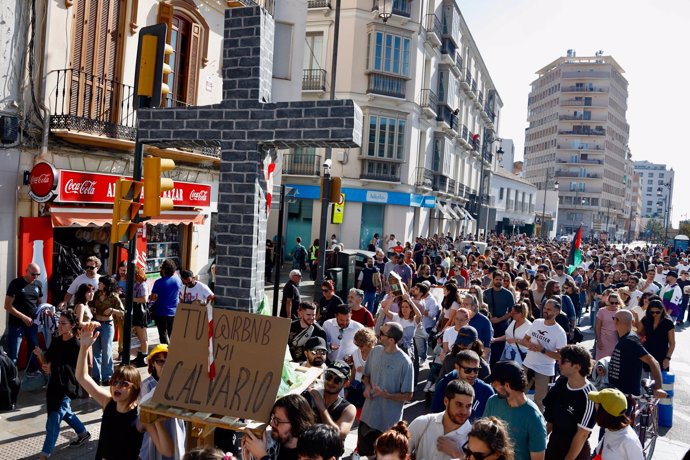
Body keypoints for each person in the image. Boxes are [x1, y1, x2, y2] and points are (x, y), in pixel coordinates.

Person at [75, 322, 173, 459]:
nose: (117, 386)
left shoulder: (141, 418)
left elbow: (168, 451)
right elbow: (82, 376)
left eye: (124, 383)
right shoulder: (107, 402)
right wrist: (84, 347)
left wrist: (157, 421)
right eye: (114, 381)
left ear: (135, 388)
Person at [33, 310, 90, 459]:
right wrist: (41, 356)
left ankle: (45, 454)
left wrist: (53, 367)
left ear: (72, 325)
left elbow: (77, 369)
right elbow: (48, 361)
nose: (60, 326)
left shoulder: (76, 345)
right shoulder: (57, 341)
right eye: (59, 323)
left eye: (63, 323)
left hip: (66, 387)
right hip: (54, 385)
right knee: (65, 412)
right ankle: (83, 433)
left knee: (53, 420)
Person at [358, 322, 414, 457]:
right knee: (366, 452)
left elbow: (408, 395)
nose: (378, 334)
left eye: (382, 333)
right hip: (368, 416)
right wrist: (367, 387)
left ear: (391, 340)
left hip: (387, 423)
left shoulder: (405, 362)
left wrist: (387, 395)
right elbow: (366, 375)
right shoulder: (375, 351)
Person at [484, 361, 547, 460]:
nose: (492, 386)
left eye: (495, 383)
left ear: (507, 385)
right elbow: (483, 435)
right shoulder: (492, 401)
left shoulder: (534, 418)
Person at [542, 345, 596, 460]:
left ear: (577, 367)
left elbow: (582, 435)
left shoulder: (589, 396)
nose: (559, 363)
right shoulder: (560, 383)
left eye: (563, 361)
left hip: (575, 453)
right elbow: (549, 420)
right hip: (553, 447)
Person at [608, 310, 666, 407]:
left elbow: (653, 362)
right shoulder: (626, 337)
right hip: (617, 393)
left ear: (616, 321)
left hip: (625, 397)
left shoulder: (630, 341)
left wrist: (658, 387)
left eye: (613, 318)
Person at [139, 344, 186, 460]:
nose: (164, 365)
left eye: (168, 361)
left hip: (176, 429)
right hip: (154, 435)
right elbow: (144, 414)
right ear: (153, 364)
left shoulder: (180, 382)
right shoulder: (146, 385)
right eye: (160, 361)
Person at [521, 297, 567, 413]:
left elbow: (561, 356)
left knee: (540, 401)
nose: (545, 311)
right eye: (545, 308)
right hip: (528, 364)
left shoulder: (559, 332)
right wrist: (530, 345)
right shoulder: (537, 322)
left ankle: (539, 426)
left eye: (549, 309)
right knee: (519, 393)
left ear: (557, 311)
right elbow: (525, 340)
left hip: (544, 370)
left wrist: (543, 350)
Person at [408, 380, 474, 460]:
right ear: (446, 401)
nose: (464, 411)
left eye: (468, 406)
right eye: (459, 404)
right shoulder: (423, 423)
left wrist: (458, 454)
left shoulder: (473, 438)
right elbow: (398, 454)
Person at [241, 394, 315, 460]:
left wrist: (262, 455)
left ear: (296, 423)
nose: (272, 424)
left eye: (278, 421)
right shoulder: (272, 444)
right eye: (273, 418)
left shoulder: (309, 454)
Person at [432, 350, 495, 421]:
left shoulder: (486, 391)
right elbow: (436, 415)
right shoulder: (444, 385)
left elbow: (491, 421)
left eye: (476, 370)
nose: (472, 374)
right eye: (468, 370)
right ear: (457, 367)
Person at [4, 263, 44, 375]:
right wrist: (23, 317)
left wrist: (44, 311)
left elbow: (39, 303)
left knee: (34, 349)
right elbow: (7, 306)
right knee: (14, 353)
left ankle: (32, 372)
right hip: (16, 324)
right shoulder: (16, 283)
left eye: (38, 274)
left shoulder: (38, 284)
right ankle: (11, 377)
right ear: (26, 271)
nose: (35, 277)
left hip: (32, 324)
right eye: (33, 274)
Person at [302, 360, 356, 439]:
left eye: (337, 380)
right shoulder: (311, 395)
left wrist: (322, 407)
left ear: (345, 383)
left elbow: (339, 436)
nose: (331, 382)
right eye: (329, 376)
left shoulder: (348, 409)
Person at [588, 388, 644, 459]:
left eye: (596, 404)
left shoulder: (629, 441)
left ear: (604, 413)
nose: (593, 406)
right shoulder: (610, 430)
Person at [92, 276, 124, 385]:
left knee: (106, 351)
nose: (98, 284)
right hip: (96, 323)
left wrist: (112, 310)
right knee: (95, 351)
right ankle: (96, 376)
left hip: (107, 325)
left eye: (100, 283)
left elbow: (122, 312)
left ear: (105, 285)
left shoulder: (114, 296)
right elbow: (90, 304)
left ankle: (107, 377)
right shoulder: (96, 294)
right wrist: (92, 309)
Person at [637, 298, 675, 372]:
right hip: (647, 353)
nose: (655, 314)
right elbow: (638, 332)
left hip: (662, 355)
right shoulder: (646, 319)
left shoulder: (668, 323)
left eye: (657, 312)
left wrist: (667, 358)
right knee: (644, 381)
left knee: (659, 381)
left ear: (662, 310)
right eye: (652, 312)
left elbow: (672, 343)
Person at [150, 259, 182, 345]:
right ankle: (173, 352)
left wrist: (149, 297)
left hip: (161, 312)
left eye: (161, 268)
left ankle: (165, 353)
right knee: (172, 334)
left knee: (163, 334)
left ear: (164, 270)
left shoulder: (158, 282)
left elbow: (153, 298)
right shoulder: (178, 280)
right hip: (174, 312)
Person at [132, 266, 151, 367]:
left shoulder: (143, 285)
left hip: (141, 312)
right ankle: (140, 355)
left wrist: (132, 299)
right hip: (136, 311)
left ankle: (143, 358)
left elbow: (144, 299)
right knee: (139, 336)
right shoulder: (137, 284)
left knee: (143, 337)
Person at [595, 291, 621, 360]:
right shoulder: (601, 311)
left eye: (616, 303)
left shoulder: (620, 312)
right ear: (608, 301)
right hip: (603, 338)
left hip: (615, 339)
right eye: (612, 302)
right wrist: (599, 340)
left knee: (613, 361)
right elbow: (598, 327)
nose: (614, 305)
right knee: (601, 361)